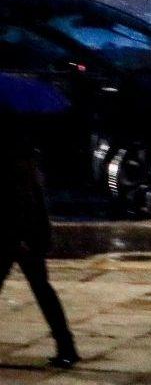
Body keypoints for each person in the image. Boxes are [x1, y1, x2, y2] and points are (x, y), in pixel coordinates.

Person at [0, 72, 79, 369]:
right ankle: (66, 345)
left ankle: (67, 345)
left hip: (14, 235)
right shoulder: (26, 156)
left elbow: (19, 200)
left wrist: (19, 235)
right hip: (26, 233)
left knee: (41, 288)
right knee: (42, 289)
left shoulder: (11, 161)